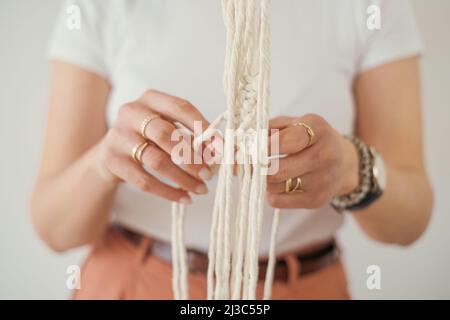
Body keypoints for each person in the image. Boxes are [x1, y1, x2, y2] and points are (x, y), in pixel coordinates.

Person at [31, 0, 433, 299]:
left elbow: (409, 221)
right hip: (135, 282)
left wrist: (350, 168)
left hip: (304, 286)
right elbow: (55, 229)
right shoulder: (99, 7)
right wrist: (104, 163)